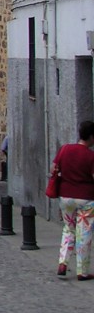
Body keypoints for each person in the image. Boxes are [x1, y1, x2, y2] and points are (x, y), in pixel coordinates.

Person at [53, 120, 94, 280]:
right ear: (91, 136)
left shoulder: (65, 150)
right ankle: (82, 271)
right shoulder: (91, 156)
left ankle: (63, 262)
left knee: (68, 229)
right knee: (84, 233)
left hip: (65, 197)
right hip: (86, 199)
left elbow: (54, 168)